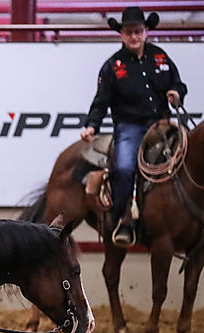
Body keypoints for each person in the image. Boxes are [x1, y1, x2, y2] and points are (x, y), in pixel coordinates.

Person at [81, 6, 188, 247]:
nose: (134, 36)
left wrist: (175, 92)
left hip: (163, 124)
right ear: (121, 34)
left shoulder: (160, 57)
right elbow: (101, 102)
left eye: (138, 31)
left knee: (191, 155)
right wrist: (91, 126)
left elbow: (178, 84)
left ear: (146, 32)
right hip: (130, 127)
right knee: (124, 167)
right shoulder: (112, 66)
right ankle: (124, 217)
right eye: (129, 32)